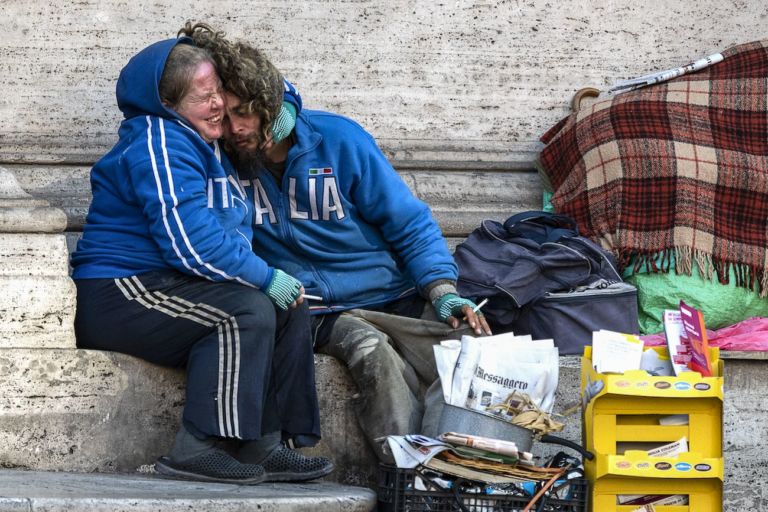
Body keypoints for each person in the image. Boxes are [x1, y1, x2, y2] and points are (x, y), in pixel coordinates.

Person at [183, 24, 493, 461]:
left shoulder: (340, 141)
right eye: (224, 115)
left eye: (245, 113)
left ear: (269, 107)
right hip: (318, 312)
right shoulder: (219, 164)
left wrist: (442, 290)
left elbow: (409, 222)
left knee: (470, 355)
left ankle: (462, 472)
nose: (235, 128)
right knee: (375, 357)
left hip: (394, 293)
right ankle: (408, 478)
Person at [70, 35, 333, 483]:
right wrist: (262, 276)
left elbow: (272, 86)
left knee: (288, 307)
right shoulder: (158, 141)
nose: (218, 105)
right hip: (123, 291)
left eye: (218, 93)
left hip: (172, 283)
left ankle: (265, 443)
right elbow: (188, 241)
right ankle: (195, 448)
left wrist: (286, 108)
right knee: (246, 309)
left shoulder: (205, 138)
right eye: (203, 96)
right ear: (169, 103)